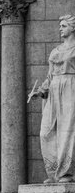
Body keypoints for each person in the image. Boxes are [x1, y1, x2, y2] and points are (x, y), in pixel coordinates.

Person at [32, 13, 75, 182]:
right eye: (60, 26)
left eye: (64, 26)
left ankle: (66, 173)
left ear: (73, 28)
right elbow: (50, 76)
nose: (60, 29)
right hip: (54, 91)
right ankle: (53, 172)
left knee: (68, 131)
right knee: (46, 132)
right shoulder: (55, 51)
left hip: (71, 89)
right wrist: (41, 91)